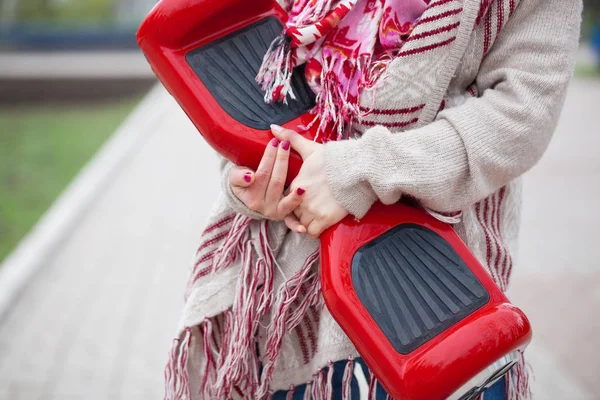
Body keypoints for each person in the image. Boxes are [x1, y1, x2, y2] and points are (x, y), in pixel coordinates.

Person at [165, 0, 582, 398]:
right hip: (280, 303)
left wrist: (359, 172)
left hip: (427, 295)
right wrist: (258, 173)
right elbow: (258, 56)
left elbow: (521, 114)